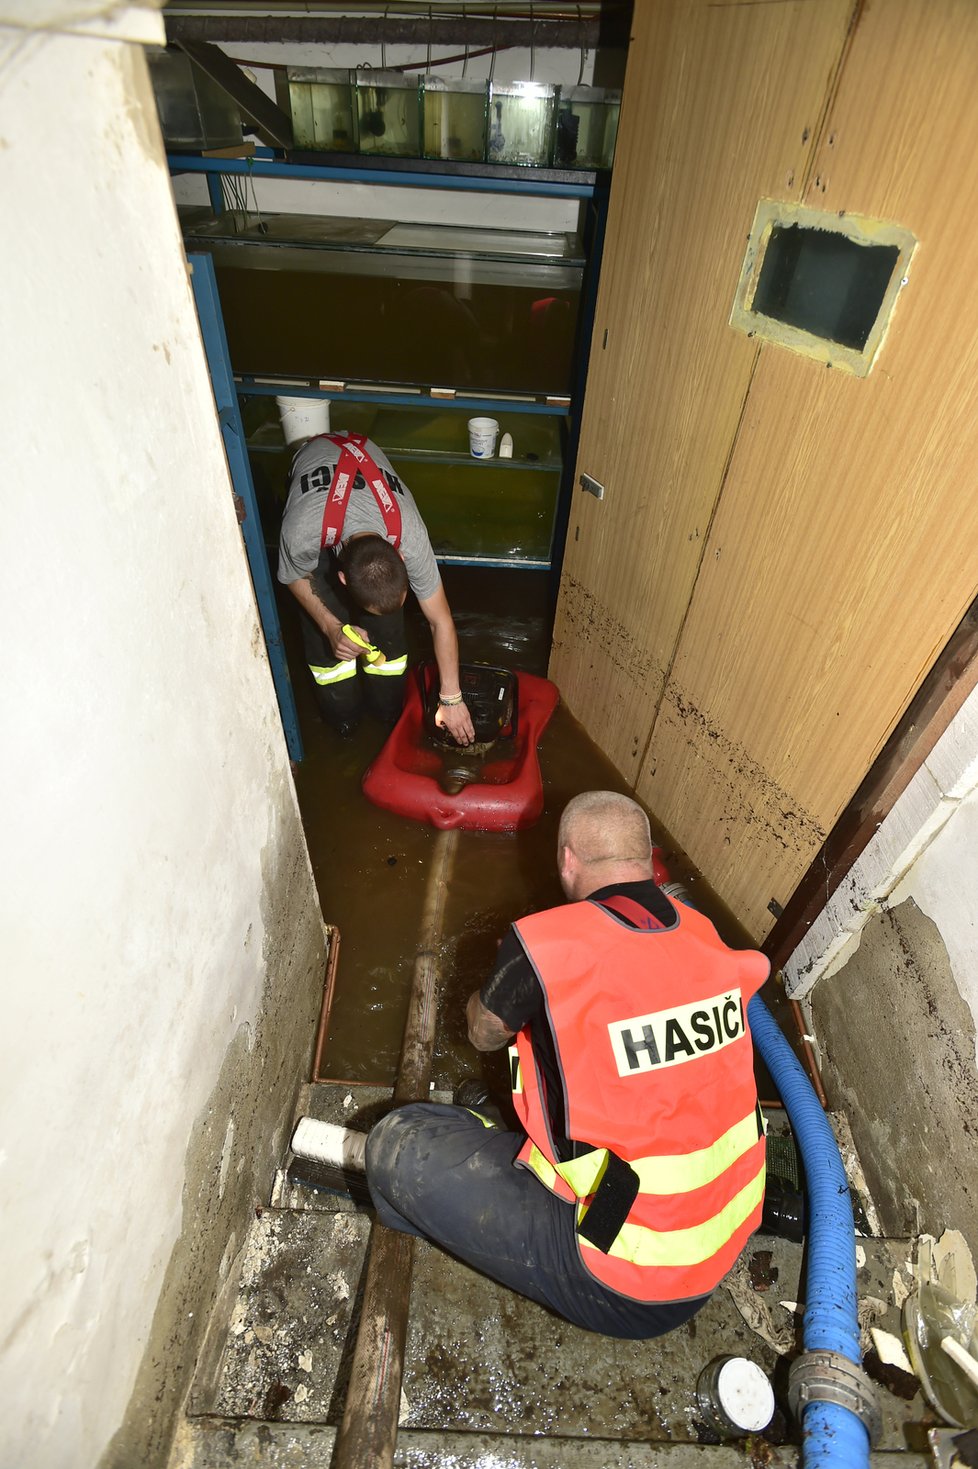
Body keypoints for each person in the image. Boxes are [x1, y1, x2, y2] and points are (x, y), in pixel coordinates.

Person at [364, 791, 770, 1338]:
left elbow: (484, 1035)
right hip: (722, 1239)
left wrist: (487, 999)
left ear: (567, 860)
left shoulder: (546, 943)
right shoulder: (706, 936)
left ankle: (418, 1218)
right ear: (648, 860)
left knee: (396, 1141)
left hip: (623, 1277)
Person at [278, 428, 474, 744]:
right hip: (318, 499)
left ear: (401, 556)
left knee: (389, 637)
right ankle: (344, 723)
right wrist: (330, 627)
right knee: (329, 655)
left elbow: (440, 620)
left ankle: (387, 715)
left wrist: (451, 698)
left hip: (363, 458)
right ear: (341, 578)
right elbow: (292, 576)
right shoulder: (301, 531)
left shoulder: (411, 535)